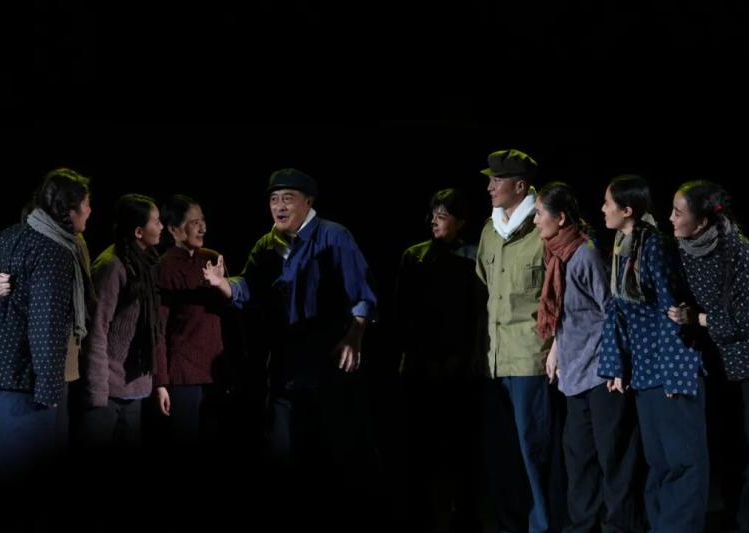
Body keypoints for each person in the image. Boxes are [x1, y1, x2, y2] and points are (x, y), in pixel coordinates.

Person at [203, 168, 378, 532]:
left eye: (287, 199)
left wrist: (354, 334)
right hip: (286, 365)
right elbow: (249, 287)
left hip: (328, 364)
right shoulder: (268, 245)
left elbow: (361, 293)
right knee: (281, 449)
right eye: (273, 199)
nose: (279, 207)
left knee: (332, 450)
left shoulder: (333, 236)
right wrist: (223, 285)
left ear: (308, 202)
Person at [597, 174, 708, 533]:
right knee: (658, 462)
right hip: (645, 371)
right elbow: (616, 310)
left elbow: (671, 310)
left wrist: (676, 374)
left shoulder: (655, 246)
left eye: (608, 203)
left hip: (670, 369)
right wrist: (616, 365)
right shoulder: (621, 245)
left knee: (683, 461)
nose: (602, 209)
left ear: (627, 210)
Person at [534, 181, 643, 532]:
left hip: (600, 372)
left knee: (612, 455)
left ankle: (619, 526)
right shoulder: (556, 255)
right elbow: (566, 314)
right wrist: (556, 349)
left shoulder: (584, 255)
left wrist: (616, 364)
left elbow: (612, 311)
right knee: (578, 457)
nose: (534, 221)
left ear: (560, 218)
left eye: (539, 213)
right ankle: (583, 526)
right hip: (574, 373)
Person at [667, 180, 749, 532]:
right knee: (730, 449)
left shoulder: (741, 250)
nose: (671, 219)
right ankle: (738, 520)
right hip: (720, 361)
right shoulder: (684, 247)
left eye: (678, 213)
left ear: (701, 222)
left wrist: (700, 319)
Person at [0, 168, 92, 484]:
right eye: (87, 203)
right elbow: (46, 324)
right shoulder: (53, 250)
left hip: (5, 372)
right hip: (24, 377)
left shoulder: (22, 234)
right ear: (69, 210)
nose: (91, 210)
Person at [475, 149, 554, 533]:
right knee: (502, 452)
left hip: (529, 359)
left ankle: (542, 526)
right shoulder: (489, 231)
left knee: (532, 449)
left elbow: (560, 297)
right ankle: (509, 524)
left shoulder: (543, 229)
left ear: (520, 186)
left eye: (497, 180)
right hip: (493, 361)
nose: (490, 186)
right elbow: (482, 293)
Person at [395, 188, 482, 532]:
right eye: (433, 214)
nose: (434, 221)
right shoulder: (414, 256)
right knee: (418, 444)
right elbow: (403, 313)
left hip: (458, 365)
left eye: (443, 215)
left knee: (459, 445)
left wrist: (466, 357)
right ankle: (419, 513)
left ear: (460, 222)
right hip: (420, 364)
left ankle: (463, 515)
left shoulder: (472, 257)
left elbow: (475, 313)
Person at [77, 193, 162, 448]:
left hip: (133, 388)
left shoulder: (147, 264)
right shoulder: (112, 266)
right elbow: (96, 329)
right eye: (156, 221)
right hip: (106, 392)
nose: (161, 226)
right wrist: (97, 390)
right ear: (138, 231)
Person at [154, 195, 227, 446]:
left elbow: (230, 316)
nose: (203, 228)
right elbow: (159, 330)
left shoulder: (212, 259)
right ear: (174, 229)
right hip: (184, 375)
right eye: (195, 222)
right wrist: (161, 382)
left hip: (216, 371)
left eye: (203, 220)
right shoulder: (164, 267)